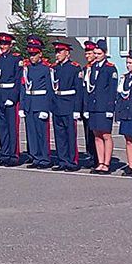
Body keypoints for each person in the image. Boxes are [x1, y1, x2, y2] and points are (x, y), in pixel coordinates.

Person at [84, 39, 117, 175]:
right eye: (95, 53)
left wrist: (110, 109)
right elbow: (88, 89)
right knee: (97, 135)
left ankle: (106, 163)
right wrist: (86, 108)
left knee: (106, 135)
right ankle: (100, 162)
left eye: (99, 53)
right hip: (94, 106)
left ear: (105, 53)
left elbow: (112, 90)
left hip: (104, 107)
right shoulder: (91, 68)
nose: (96, 55)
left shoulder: (110, 68)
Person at [50, 41, 83, 172]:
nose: (57, 55)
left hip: (69, 104)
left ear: (67, 53)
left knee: (70, 135)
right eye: (56, 52)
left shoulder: (75, 68)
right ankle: (62, 160)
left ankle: (72, 161)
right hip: (57, 103)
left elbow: (78, 90)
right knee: (59, 135)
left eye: (60, 52)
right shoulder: (55, 68)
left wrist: (76, 109)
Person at [20, 38, 52, 169]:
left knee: (41, 133)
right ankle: (35, 157)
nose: (32, 57)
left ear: (40, 54)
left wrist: (46, 108)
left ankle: (44, 158)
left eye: (34, 54)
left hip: (40, 104)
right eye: (30, 54)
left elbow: (49, 90)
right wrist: (22, 106)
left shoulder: (46, 69)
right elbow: (23, 87)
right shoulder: (26, 69)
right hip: (29, 103)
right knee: (31, 133)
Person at [0, 33, 22, 167]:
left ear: (10, 45)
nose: (2, 46)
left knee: (12, 127)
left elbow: (18, 80)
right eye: (1, 44)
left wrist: (13, 97)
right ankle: (4, 154)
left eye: (5, 44)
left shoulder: (16, 59)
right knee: (1, 127)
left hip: (10, 96)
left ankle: (13, 155)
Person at [80, 41, 98, 167]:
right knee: (87, 132)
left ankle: (97, 157)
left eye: (90, 53)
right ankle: (90, 154)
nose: (87, 56)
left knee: (96, 132)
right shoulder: (86, 69)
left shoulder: (98, 69)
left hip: (96, 105)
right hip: (86, 105)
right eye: (86, 53)